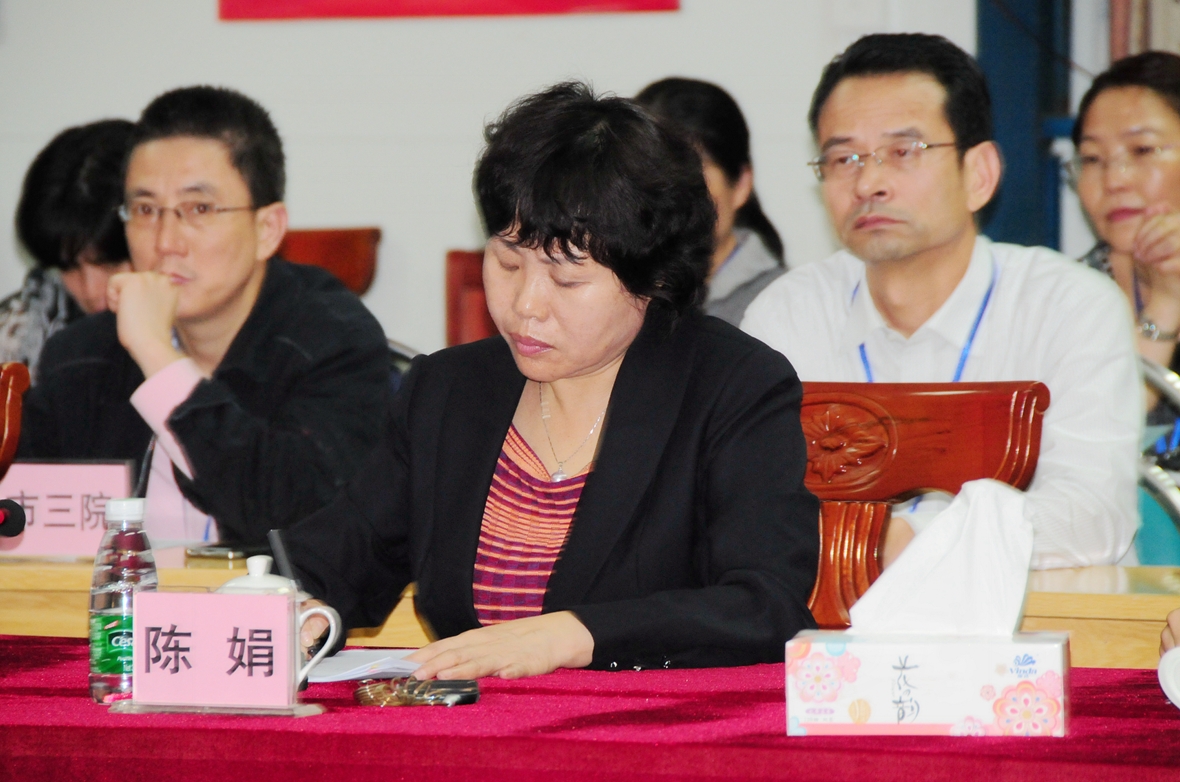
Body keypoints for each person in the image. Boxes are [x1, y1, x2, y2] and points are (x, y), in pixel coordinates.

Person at [286, 82, 820, 680]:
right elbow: (337, 556)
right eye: (507, 262)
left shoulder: (732, 386)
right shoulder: (448, 391)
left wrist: (576, 635)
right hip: (472, 726)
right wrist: (297, 604)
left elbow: (764, 605)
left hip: (647, 725)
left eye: (567, 280)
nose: (525, 305)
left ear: (654, 279)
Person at [741, 33, 1141, 570]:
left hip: (1031, 619)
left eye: (903, 152)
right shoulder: (789, 315)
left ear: (980, 175)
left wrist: (913, 538)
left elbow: (1093, 516)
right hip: (837, 618)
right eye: (843, 158)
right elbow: (750, 507)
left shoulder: (1068, 307)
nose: (868, 182)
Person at [18, 86, 391, 548]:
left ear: (267, 229)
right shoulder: (82, 355)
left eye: (199, 209)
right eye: (145, 210)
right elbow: (25, 524)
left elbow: (297, 517)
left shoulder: (335, 342)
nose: (165, 242)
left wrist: (157, 356)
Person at [1071, 51, 1180, 424]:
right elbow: (1098, 432)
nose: (1114, 180)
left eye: (1143, 150)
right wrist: (1164, 304)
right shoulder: (1063, 301)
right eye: (1092, 159)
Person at [635, 77, 786, 326]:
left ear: (740, 185)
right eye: (650, 171)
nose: (669, 195)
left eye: (691, 171)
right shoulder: (614, 298)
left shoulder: (781, 304)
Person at [3, 120, 134, 379]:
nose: (92, 291)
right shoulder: (17, 335)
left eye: (109, 264)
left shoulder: (202, 328)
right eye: (69, 267)